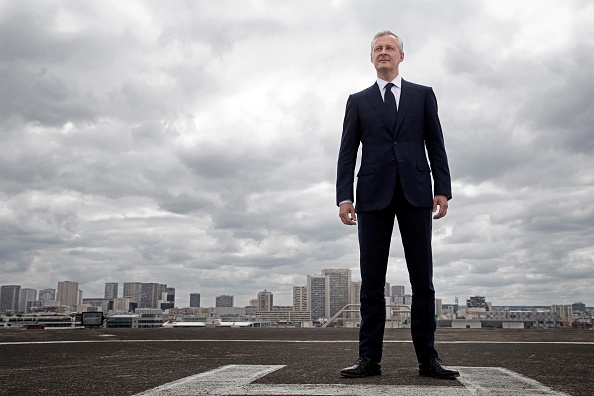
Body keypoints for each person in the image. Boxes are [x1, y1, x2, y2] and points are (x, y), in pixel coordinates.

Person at [336, 31, 459, 379]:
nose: (384, 52)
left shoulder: (423, 96)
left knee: (423, 282)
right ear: (371, 58)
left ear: (401, 56)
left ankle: (428, 360)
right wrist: (345, 196)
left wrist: (443, 189)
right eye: (378, 49)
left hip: (417, 193)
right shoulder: (357, 101)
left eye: (390, 48)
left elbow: (436, 144)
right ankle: (368, 360)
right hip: (372, 197)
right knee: (372, 284)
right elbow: (347, 152)